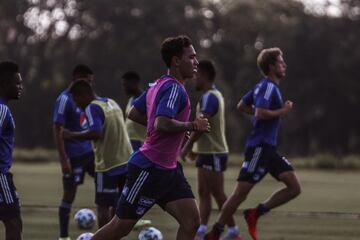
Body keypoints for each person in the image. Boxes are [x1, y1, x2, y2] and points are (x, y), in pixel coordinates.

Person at [92, 35, 210, 240]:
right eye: (191, 57)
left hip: (169, 171)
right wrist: (191, 125)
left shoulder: (158, 84)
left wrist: (178, 128)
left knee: (191, 222)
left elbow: (135, 113)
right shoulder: (173, 87)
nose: (196, 62)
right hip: (149, 168)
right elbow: (161, 123)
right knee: (120, 227)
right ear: (175, 61)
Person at [205, 48, 301, 240]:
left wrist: (266, 111)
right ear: (272, 66)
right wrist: (282, 111)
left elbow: (242, 105)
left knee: (294, 187)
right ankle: (215, 232)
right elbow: (259, 113)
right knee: (240, 194)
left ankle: (255, 213)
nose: (285, 65)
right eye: (281, 62)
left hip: (269, 149)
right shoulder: (267, 87)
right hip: (259, 147)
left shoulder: (263, 86)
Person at [181, 60, 240, 240]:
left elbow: (202, 124)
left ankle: (233, 232)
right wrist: (195, 148)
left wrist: (187, 147)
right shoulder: (210, 95)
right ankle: (200, 231)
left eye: (196, 75)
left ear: (204, 76)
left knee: (218, 194)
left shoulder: (211, 97)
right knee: (204, 193)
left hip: (214, 153)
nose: (193, 79)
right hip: (207, 153)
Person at [62, 80, 133, 228]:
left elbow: (96, 133)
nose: (76, 104)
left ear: (83, 95)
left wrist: (71, 135)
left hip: (108, 166)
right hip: (127, 161)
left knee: (103, 206)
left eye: (76, 100)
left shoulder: (92, 107)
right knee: (118, 206)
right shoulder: (111, 102)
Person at [53, 64, 95, 240]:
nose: (90, 85)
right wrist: (64, 160)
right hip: (74, 156)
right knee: (69, 195)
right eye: (88, 80)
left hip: (89, 153)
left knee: (110, 185)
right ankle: (64, 236)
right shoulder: (64, 99)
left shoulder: (86, 98)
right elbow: (57, 128)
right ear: (79, 78)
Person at [0, 61, 23, 240]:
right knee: (13, 221)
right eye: (17, 83)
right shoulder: (1, 109)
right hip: (0, 176)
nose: (20, 87)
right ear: (4, 84)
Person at [122, 71, 147, 151]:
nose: (124, 88)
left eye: (126, 85)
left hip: (141, 142)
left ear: (135, 83)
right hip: (129, 142)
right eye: (123, 85)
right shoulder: (131, 99)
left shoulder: (145, 100)